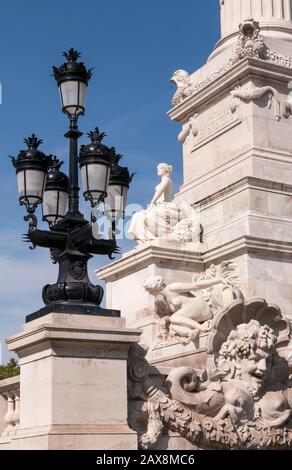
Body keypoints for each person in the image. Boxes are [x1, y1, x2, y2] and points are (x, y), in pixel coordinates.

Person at [128, 163, 189, 243]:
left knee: (145, 216)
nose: (158, 169)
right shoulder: (164, 180)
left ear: (166, 170)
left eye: (160, 168)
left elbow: (160, 191)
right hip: (158, 205)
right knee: (137, 215)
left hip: (164, 205)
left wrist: (152, 202)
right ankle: (145, 238)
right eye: (158, 168)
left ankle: (149, 237)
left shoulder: (166, 179)